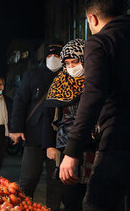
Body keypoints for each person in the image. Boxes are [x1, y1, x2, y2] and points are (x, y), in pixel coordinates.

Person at [60, 0, 130, 210]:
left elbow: (93, 95)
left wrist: (72, 150)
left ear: (91, 18)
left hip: (120, 140)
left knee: (97, 204)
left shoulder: (101, 42)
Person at [9, 41, 64, 211]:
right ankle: (24, 207)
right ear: (44, 57)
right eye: (49, 55)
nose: (53, 59)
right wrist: (16, 128)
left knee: (56, 181)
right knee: (29, 178)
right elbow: (20, 101)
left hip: (58, 137)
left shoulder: (68, 75)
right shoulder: (32, 74)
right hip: (34, 135)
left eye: (57, 55)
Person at [43, 39, 94, 210]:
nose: (71, 67)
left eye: (76, 62)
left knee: (91, 196)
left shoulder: (96, 81)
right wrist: (50, 145)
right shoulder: (59, 83)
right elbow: (51, 118)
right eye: (67, 63)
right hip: (66, 148)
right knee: (69, 196)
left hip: (93, 148)